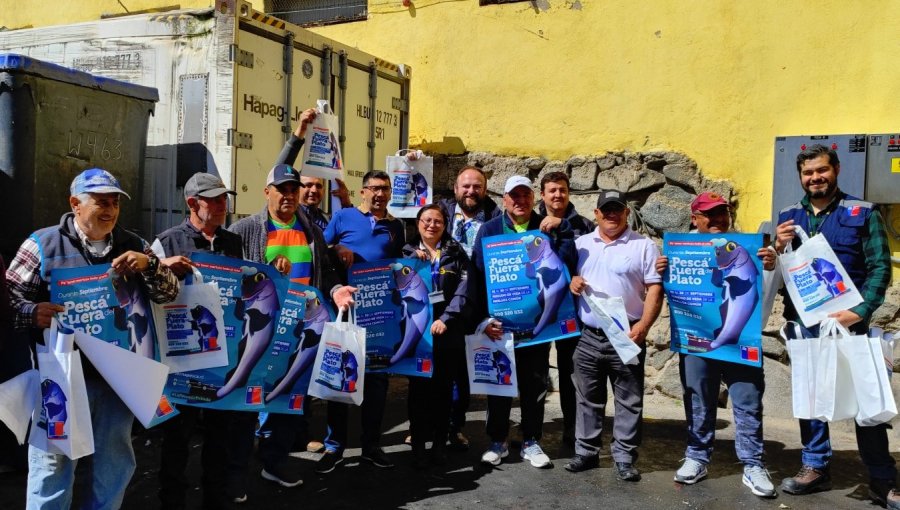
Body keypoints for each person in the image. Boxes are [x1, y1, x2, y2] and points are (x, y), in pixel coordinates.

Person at [6, 168, 178, 509]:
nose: (111, 210)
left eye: (115, 202)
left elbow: (169, 295)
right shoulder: (43, 243)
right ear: (75, 204)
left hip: (117, 379)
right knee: (53, 466)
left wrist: (151, 266)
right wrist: (30, 312)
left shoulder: (135, 245)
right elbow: (8, 298)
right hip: (59, 379)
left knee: (113, 464)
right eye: (102, 202)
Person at [229, 127, 355, 494]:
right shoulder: (244, 231)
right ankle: (236, 476)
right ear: (267, 192)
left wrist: (337, 289)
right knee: (245, 406)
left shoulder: (311, 232)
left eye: (293, 190)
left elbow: (326, 274)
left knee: (288, 404)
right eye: (281, 189)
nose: (288, 195)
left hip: (300, 334)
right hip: (258, 332)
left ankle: (273, 463)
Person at [773, 144, 898, 508]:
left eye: (821, 170)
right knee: (812, 398)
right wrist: (777, 248)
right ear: (801, 176)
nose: (815, 178)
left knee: (866, 404)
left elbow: (880, 269)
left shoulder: (863, 212)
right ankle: (814, 467)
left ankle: (882, 479)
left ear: (836, 169)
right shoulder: (787, 215)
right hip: (805, 325)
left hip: (851, 327)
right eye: (808, 173)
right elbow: (778, 273)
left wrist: (859, 311)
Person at [655, 191, 777, 497]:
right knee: (697, 400)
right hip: (697, 340)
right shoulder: (679, 250)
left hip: (741, 343)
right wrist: (661, 271)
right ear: (695, 218)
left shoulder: (747, 247)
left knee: (748, 401)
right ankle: (697, 456)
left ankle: (752, 464)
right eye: (710, 214)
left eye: (722, 212)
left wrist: (773, 264)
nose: (718, 219)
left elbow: (765, 287)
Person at [470, 175, 577, 469]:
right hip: (500, 326)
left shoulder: (545, 226)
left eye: (525, 195)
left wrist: (563, 230)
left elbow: (567, 264)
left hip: (535, 328)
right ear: (504, 199)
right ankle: (498, 441)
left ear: (534, 198)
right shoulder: (489, 230)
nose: (520, 201)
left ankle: (531, 440)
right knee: (499, 383)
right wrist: (481, 320)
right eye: (513, 196)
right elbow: (478, 278)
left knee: (534, 384)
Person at [150, 172, 242, 510]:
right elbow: (145, 289)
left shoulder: (232, 242)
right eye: (214, 199)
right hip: (181, 360)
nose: (223, 205)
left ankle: (215, 500)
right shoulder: (167, 241)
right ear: (192, 204)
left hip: (221, 358)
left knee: (220, 437)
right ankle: (172, 502)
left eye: (224, 198)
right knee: (177, 439)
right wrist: (161, 266)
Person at [563, 189, 662, 482]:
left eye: (617, 209)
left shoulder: (644, 246)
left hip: (627, 333)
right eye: (605, 209)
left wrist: (643, 327)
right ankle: (586, 452)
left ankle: (624, 457)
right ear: (596, 214)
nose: (611, 214)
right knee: (587, 398)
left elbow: (655, 287)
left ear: (626, 213)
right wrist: (573, 281)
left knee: (629, 399)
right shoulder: (580, 245)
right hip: (588, 335)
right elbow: (563, 276)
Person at [317, 170, 405, 473]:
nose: (380, 195)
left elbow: (401, 264)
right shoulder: (343, 218)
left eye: (385, 189)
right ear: (363, 191)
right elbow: (320, 250)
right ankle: (334, 448)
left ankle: (371, 446)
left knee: (378, 382)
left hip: (379, 312)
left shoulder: (397, 227)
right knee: (341, 378)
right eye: (375, 189)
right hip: (347, 307)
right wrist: (336, 248)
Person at [402, 204, 474, 468]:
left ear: (445, 225)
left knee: (444, 392)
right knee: (418, 392)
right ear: (418, 223)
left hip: (447, 334)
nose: (432, 225)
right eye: (427, 220)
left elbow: (465, 290)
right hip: (418, 335)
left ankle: (440, 445)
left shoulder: (456, 253)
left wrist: (447, 318)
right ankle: (419, 443)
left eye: (438, 221)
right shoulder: (406, 253)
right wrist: (410, 264)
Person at [438, 165, 502, 450]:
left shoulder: (496, 218)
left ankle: (455, 426)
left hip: (476, 304)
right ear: (455, 189)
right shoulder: (441, 213)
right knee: (435, 369)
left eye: (476, 186)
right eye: (465, 186)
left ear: (484, 190)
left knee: (464, 372)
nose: (471, 191)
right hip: (441, 303)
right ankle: (426, 425)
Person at [537, 171, 595, 447]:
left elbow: (595, 263)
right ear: (542, 195)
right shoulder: (531, 223)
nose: (557, 195)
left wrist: (562, 226)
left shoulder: (584, 225)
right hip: (536, 311)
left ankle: (573, 430)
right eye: (552, 191)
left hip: (571, 311)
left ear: (569, 193)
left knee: (571, 373)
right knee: (536, 374)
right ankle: (532, 432)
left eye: (562, 190)